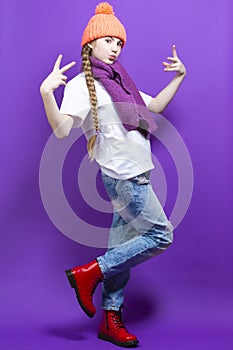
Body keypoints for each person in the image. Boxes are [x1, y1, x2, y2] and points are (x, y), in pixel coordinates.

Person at [40, 2, 186, 347]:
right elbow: (62, 131)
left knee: (122, 246)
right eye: (109, 40)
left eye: (119, 43)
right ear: (90, 43)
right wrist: (47, 93)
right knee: (161, 236)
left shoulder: (122, 82)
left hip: (139, 173)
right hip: (122, 176)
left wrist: (180, 77)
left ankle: (110, 319)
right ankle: (89, 272)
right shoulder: (80, 85)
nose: (116, 48)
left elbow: (154, 108)